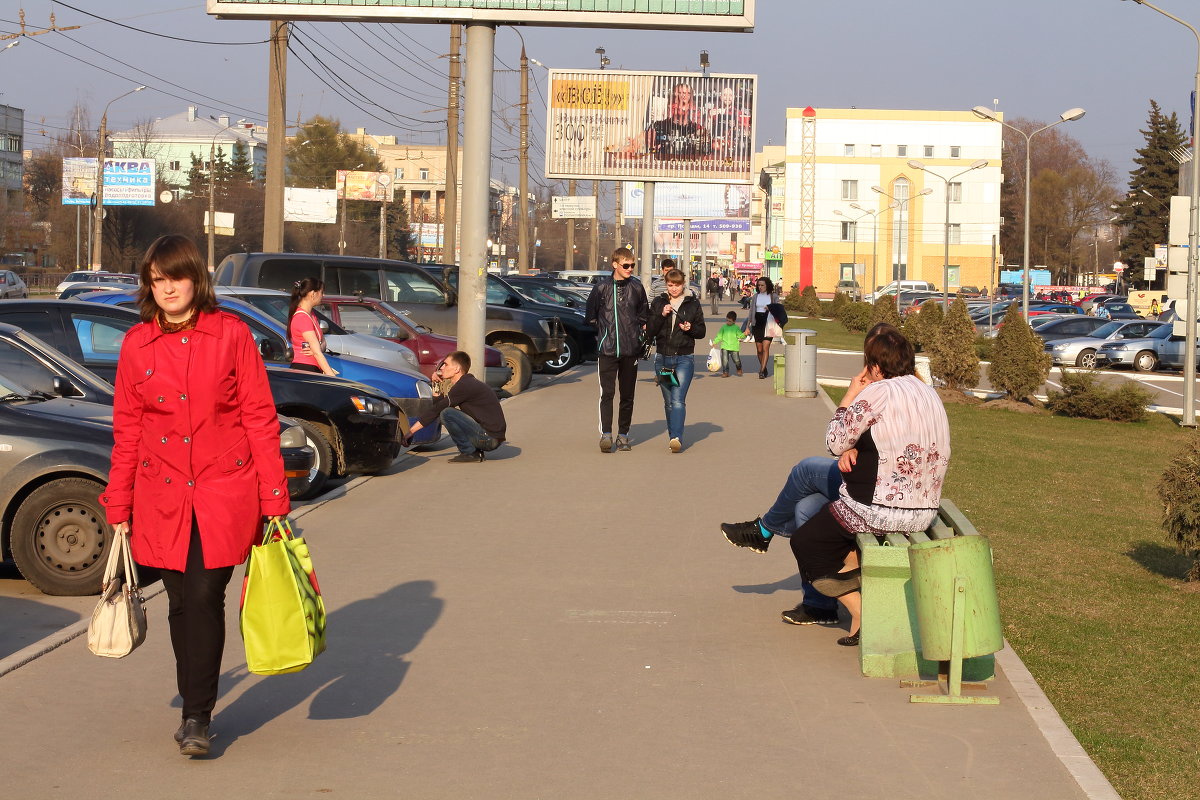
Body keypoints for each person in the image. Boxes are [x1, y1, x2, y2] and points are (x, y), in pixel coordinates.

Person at [101, 234, 289, 757]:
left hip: (223, 489)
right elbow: (128, 429)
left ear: (196, 279)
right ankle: (194, 698)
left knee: (206, 594)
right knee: (180, 601)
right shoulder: (137, 344)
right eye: (156, 280)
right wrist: (118, 502)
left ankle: (197, 716)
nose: (167, 289)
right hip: (159, 493)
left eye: (176, 277)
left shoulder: (231, 335)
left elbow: (258, 416)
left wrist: (274, 495)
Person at [726, 327, 950, 647]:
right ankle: (831, 594)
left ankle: (860, 609)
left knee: (805, 544)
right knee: (806, 507)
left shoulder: (878, 392)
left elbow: (833, 442)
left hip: (877, 509)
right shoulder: (928, 392)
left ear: (874, 366)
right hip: (923, 510)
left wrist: (849, 395)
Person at [586, 247, 649, 452]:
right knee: (607, 393)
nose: (630, 268)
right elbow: (591, 316)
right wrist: (604, 333)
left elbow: (643, 315)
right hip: (608, 349)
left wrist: (638, 334)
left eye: (632, 265)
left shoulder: (637, 288)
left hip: (631, 349)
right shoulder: (601, 288)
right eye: (626, 265)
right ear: (615, 264)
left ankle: (623, 435)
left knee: (627, 395)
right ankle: (606, 434)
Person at [406, 350, 506, 463]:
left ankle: (469, 453)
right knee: (445, 411)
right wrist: (436, 384)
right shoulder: (467, 383)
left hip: (489, 438)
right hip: (490, 436)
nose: (442, 367)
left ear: (457, 369)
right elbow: (438, 406)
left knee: (447, 413)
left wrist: (410, 432)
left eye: (446, 364)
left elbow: (438, 410)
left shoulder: (464, 386)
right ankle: (473, 452)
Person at [648, 268, 706, 453]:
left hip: (683, 358)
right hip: (664, 359)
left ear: (683, 284)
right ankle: (673, 434)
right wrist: (661, 315)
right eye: (670, 285)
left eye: (677, 285)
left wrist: (690, 328)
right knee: (668, 402)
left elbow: (701, 331)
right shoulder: (659, 302)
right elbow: (650, 330)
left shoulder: (692, 304)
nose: (673, 289)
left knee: (678, 400)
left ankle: (676, 437)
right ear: (666, 284)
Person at [645, 82, 712, 161]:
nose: (679, 106)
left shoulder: (698, 130)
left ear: (691, 105)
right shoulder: (658, 127)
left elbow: (706, 160)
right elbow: (646, 152)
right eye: (678, 95)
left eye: (683, 104)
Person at [288, 277, 338, 376]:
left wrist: (318, 347)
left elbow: (323, 342)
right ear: (313, 294)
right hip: (305, 369)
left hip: (313, 368)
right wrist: (332, 377)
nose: (323, 295)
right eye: (322, 292)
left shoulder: (311, 315)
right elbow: (317, 353)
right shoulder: (302, 318)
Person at [749, 276, 776, 378]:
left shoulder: (773, 296)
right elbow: (751, 311)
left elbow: (779, 308)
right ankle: (764, 367)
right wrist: (748, 325)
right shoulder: (756, 296)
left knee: (765, 347)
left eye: (762, 285)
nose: (760, 287)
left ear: (767, 285)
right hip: (758, 323)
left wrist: (770, 307)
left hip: (769, 323)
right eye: (759, 285)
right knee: (759, 349)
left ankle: (761, 371)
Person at [712, 310, 744, 377]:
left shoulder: (736, 328)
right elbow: (719, 336)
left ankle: (739, 368)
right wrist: (715, 342)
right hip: (725, 346)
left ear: (734, 321)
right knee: (725, 360)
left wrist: (745, 334)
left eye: (730, 321)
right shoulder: (723, 327)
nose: (728, 322)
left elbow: (740, 336)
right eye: (727, 320)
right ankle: (725, 372)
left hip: (734, 347)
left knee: (736, 360)